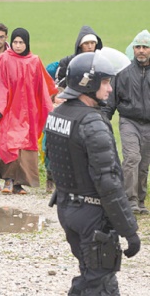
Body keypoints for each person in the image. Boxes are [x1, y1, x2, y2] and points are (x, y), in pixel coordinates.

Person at [46, 51, 140, 295]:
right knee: (97, 283)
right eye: (106, 82)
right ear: (88, 83)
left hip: (68, 208)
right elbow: (109, 182)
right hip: (91, 216)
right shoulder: (92, 122)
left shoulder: (58, 114)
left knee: (96, 278)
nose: (110, 89)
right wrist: (129, 230)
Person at [0, 28, 56, 194]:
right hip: (9, 110)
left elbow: (43, 86)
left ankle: (19, 183)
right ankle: (8, 181)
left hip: (29, 112)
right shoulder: (3, 59)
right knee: (8, 143)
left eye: (21, 42)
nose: (18, 46)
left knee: (24, 147)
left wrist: (49, 104)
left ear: (27, 43)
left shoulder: (34, 61)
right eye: (15, 42)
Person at [103, 30, 150, 214]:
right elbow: (110, 102)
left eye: (145, 47)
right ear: (133, 49)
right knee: (132, 158)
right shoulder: (123, 74)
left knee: (144, 163)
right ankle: (129, 200)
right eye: (137, 47)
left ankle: (140, 200)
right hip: (129, 121)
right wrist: (103, 123)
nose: (141, 50)